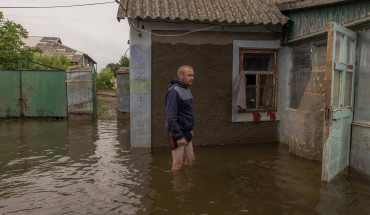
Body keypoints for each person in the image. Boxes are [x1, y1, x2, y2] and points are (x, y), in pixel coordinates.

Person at [165, 65, 195, 171]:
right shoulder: (174, 91)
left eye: (193, 75)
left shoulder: (186, 89)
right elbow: (170, 118)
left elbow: (187, 112)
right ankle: (177, 187)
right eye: (189, 75)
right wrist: (178, 136)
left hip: (186, 130)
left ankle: (188, 185)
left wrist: (190, 128)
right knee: (178, 164)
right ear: (181, 76)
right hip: (177, 131)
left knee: (191, 160)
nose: (192, 78)